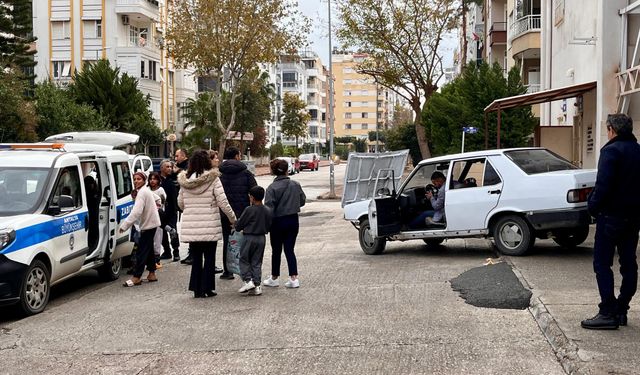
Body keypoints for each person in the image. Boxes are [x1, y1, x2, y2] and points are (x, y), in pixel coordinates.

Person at [581, 114, 640, 330]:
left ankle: (607, 311)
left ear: (611, 130)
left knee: (602, 264)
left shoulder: (610, 151)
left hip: (611, 217)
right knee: (629, 263)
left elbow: (602, 186)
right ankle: (622, 309)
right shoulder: (638, 150)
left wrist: (592, 206)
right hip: (633, 218)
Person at [178, 150, 236, 298]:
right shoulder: (214, 179)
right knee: (209, 258)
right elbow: (223, 202)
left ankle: (196, 289)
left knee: (196, 257)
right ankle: (208, 288)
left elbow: (181, 203)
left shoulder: (185, 181)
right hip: (210, 224)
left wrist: (191, 209)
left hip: (192, 225)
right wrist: (233, 219)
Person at [262, 159, 306, 289]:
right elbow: (302, 201)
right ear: (287, 170)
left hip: (277, 221)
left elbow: (268, 208)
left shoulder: (271, 188)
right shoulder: (295, 184)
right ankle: (294, 278)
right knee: (289, 249)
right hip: (293, 220)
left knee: (276, 250)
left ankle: (274, 277)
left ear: (273, 171)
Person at [219, 146, 257, 280]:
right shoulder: (246, 173)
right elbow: (255, 191)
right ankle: (244, 271)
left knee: (227, 240)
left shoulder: (219, 173)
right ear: (236, 156)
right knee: (244, 242)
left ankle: (227, 271)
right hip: (243, 213)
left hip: (224, 213)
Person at [120, 172, 161, 287]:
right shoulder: (145, 190)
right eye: (135, 179)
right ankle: (152, 273)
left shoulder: (142, 192)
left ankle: (137, 277)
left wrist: (125, 225)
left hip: (148, 225)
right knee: (149, 250)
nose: (136, 181)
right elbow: (158, 199)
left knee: (141, 251)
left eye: (139, 179)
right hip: (151, 223)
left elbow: (136, 212)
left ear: (144, 180)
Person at [236, 186, 272, 296]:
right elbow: (269, 225)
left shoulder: (249, 210)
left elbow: (240, 224)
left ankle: (248, 280)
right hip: (261, 238)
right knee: (257, 262)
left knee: (244, 259)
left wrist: (235, 225)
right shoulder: (267, 210)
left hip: (249, 237)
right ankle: (257, 285)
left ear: (251, 197)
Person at [159, 160, 181, 261]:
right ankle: (167, 251)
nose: (170, 169)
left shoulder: (173, 179)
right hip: (161, 211)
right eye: (167, 167)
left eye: (170, 167)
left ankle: (176, 251)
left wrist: (177, 209)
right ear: (162, 168)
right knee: (162, 232)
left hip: (172, 210)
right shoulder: (157, 180)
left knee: (173, 231)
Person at [147, 172, 166, 268]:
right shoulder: (146, 190)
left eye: (154, 179)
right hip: (148, 217)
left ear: (158, 180)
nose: (152, 181)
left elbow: (162, 203)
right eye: (151, 179)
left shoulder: (160, 190)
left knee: (157, 237)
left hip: (158, 216)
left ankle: (157, 259)